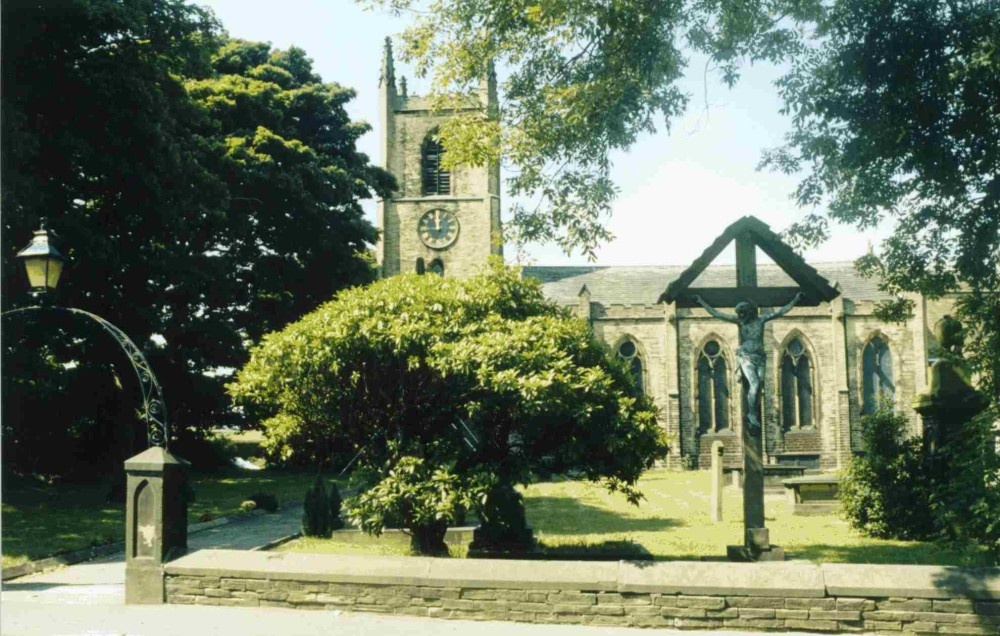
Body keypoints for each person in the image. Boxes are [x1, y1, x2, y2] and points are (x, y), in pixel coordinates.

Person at [693, 292, 804, 431]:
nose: (741, 316)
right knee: (755, 384)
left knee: (760, 385)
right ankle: (751, 414)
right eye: (739, 314)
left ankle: (754, 413)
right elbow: (717, 314)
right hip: (746, 358)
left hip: (760, 358)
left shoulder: (761, 320)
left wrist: (795, 300)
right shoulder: (740, 322)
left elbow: (780, 312)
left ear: (749, 311)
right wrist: (702, 302)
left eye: (742, 313)